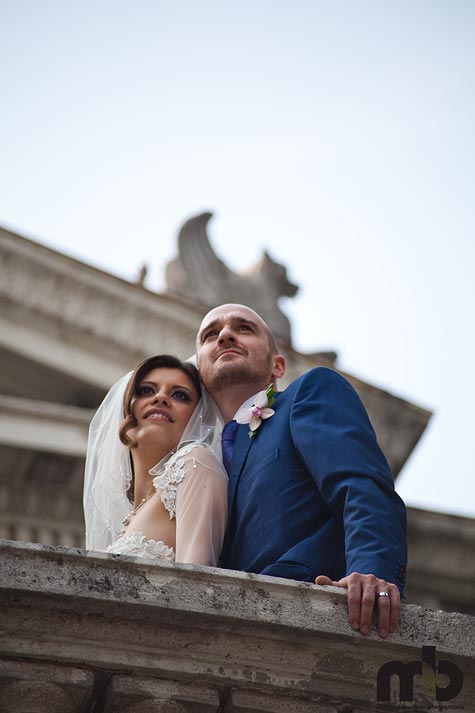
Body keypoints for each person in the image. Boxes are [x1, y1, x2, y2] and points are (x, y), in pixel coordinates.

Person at [196, 304, 407, 638]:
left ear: (277, 366)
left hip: (308, 611)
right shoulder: (194, 460)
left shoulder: (308, 394)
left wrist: (371, 570)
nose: (225, 335)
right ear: (199, 372)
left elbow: (360, 484)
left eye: (244, 328)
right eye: (210, 334)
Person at [84, 355, 227, 566]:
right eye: (146, 391)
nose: (160, 398)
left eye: (180, 395)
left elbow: (197, 578)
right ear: (125, 409)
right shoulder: (132, 514)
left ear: (198, 417)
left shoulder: (196, 462)